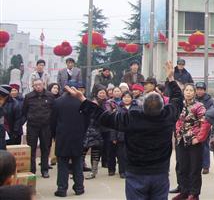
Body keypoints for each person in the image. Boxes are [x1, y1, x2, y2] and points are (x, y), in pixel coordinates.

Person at [65, 61, 183, 200]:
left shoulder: (132, 118)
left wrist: (82, 99)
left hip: (136, 172)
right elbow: (177, 99)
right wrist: (171, 78)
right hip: (160, 172)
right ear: (163, 106)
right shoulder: (168, 116)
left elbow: (103, 117)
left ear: (142, 106)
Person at [51, 80, 90, 197]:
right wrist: (82, 132)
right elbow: (87, 120)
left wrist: (54, 135)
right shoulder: (82, 102)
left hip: (62, 136)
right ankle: (79, 188)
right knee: (78, 162)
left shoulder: (58, 102)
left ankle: (62, 189)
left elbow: (53, 121)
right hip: (78, 136)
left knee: (62, 163)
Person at [174, 83, 211, 200]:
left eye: (191, 90)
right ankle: (184, 191)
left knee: (194, 168)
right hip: (181, 140)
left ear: (194, 93)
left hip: (194, 141)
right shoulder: (180, 105)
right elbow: (177, 120)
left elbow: (205, 123)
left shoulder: (199, 106)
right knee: (182, 167)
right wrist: (177, 132)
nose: (188, 92)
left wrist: (199, 138)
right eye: (186, 90)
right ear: (183, 92)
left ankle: (194, 194)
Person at [23, 78, 55, 177]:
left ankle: (45, 169)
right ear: (33, 86)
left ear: (43, 84)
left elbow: (54, 110)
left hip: (46, 126)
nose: (38, 86)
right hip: (32, 126)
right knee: (31, 148)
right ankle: (32, 170)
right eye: (35, 85)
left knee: (45, 148)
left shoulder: (50, 96)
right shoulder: (28, 96)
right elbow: (24, 110)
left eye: (39, 84)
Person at [82, 88, 106, 179]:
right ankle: (78, 171)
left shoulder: (107, 104)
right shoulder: (91, 103)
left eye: (104, 93)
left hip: (98, 131)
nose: (102, 94)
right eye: (100, 93)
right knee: (82, 152)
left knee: (96, 153)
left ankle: (93, 172)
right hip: (87, 131)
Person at [196, 81, 214, 175]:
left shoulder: (209, 100)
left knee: (205, 146)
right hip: (194, 126)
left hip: (205, 125)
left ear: (205, 90)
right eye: (198, 89)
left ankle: (206, 166)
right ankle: (196, 165)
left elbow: (210, 113)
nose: (199, 91)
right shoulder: (193, 98)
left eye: (201, 89)